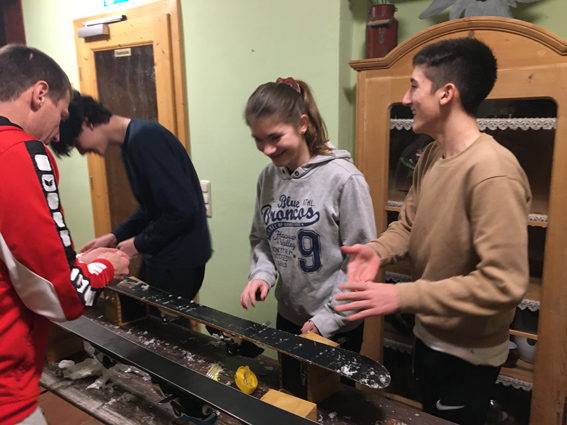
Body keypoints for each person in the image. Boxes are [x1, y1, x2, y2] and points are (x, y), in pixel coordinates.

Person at [335, 38, 532, 425]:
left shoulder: (493, 171)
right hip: (430, 334)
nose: (406, 99)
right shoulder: (433, 155)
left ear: (446, 93)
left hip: (468, 354)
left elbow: (503, 283)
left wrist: (401, 295)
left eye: (414, 86)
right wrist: (377, 251)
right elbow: (409, 225)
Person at [0, 44, 130, 425]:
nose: (59, 133)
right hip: (7, 393)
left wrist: (75, 261)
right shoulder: (21, 153)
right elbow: (64, 296)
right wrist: (105, 266)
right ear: (40, 94)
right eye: (61, 113)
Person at [240, 77, 376, 357]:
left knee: (330, 389)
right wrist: (261, 274)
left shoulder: (344, 179)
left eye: (275, 137)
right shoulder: (268, 177)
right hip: (289, 316)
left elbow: (361, 261)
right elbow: (262, 238)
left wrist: (328, 319)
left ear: (302, 124)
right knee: (291, 384)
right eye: (258, 139)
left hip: (336, 323)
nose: (267, 150)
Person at [54, 92, 212, 305]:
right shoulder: (131, 143)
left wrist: (138, 244)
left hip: (179, 260)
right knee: (147, 316)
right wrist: (114, 236)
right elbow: (150, 209)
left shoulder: (145, 139)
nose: (82, 151)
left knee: (162, 322)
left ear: (87, 123)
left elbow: (182, 209)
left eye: (76, 142)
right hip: (166, 256)